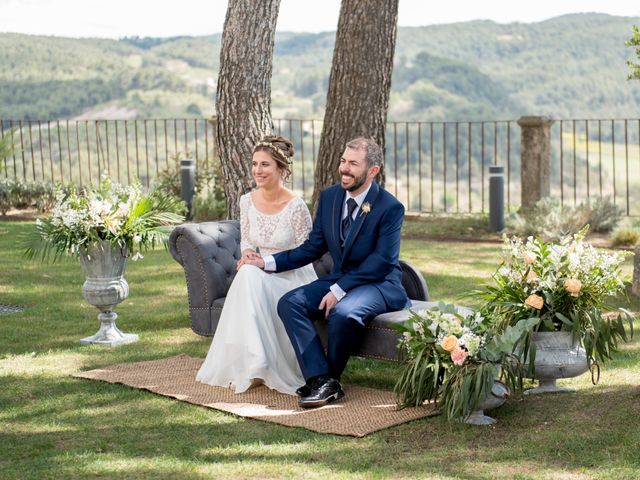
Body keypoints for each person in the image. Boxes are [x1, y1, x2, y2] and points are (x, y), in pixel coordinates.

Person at [244, 137, 410, 408]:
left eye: (353, 164)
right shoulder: (331, 197)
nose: (344, 168)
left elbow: (382, 261)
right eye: (343, 161)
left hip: (379, 284)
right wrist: (267, 262)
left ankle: (327, 379)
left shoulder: (390, 208)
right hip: (342, 277)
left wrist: (338, 289)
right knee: (289, 303)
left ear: (373, 171)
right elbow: (312, 248)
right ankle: (321, 379)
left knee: (344, 313)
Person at [195, 135, 317, 395]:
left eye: (265, 165)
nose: (257, 171)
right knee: (248, 273)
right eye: (254, 164)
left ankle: (260, 361)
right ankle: (255, 360)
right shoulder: (247, 201)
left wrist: (265, 263)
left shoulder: (296, 206)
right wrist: (249, 254)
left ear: (281, 169)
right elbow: (248, 238)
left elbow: (306, 252)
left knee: (250, 275)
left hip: (292, 275)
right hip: (261, 272)